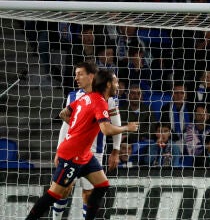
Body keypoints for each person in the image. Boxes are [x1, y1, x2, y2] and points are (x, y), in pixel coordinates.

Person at [25, 69, 138, 220]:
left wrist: (78, 127)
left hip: (85, 154)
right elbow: (106, 129)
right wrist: (127, 128)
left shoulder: (87, 97)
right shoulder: (99, 102)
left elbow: (63, 113)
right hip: (73, 154)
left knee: (102, 185)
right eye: (116, 82)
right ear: (109, 84)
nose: (118, 85)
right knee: (54, 194)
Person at [52, 61, 122, 219]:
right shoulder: (72, 96)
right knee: (63, 189)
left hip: (94, 152)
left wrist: (116, 150)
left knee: (89, 193)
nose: (76, 78)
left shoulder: (108, 97)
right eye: (76, 74)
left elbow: (117, 124)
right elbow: (66, 127)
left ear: (92, 76)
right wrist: (59, 150)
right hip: (71, 152)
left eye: (80, 74)